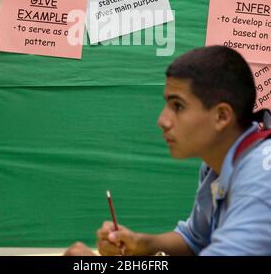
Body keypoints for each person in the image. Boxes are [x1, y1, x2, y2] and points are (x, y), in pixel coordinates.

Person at [64, 46, 271, 256]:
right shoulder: (215, 165)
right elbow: (194, 240)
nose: (162, 120)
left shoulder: (262, 176)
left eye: (178, 106)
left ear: (221, 116)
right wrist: (143, 244)